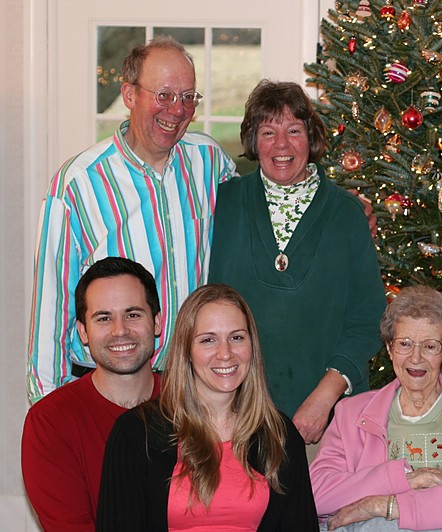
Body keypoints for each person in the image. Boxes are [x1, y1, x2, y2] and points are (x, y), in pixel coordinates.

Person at [27, 35, 236, 403]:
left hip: (193, 389)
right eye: (164, 95)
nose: (177, 110)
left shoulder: (209, 161)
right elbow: (51, 314)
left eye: (188, 97)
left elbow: (266, 207)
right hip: (111, 390)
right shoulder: (77, 184)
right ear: (129, 95)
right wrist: (48, 414)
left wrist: (343, 205)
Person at [208, 80, 385, 444]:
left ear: (312, 137)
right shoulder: (221, 204)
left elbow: (368, 320)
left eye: (293, 130)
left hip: (329, 422)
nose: (282, 145)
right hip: (234, 418)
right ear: (253, 141)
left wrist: (323, 400)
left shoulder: (347, 214)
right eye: (268, 132)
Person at [96, 284, 317, 531]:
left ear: (252, 346)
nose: (225, 353)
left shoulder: (279, 434)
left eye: (236, 337)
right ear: (187, 351)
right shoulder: (136, 433)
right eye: (208, 340)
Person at [311, 285, 442, 531]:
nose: (416, 358)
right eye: (404, 344)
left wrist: (385, 506)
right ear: (389, 349)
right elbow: (317, 494)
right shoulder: (351, 413)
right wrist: (406, 479)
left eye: (430, 346)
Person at [21, 257, 162, 531]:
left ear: (156, 322)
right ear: (83, 332)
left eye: (133, 314)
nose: (120, 330)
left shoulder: (193, 402)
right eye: (104, 318)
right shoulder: (50, 421)